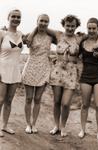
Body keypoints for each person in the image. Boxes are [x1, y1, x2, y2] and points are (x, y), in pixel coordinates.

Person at [46, 15, 98, 137]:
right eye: (68, 25)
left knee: (66, 103)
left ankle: (63, 126)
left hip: (71, 72)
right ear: (64, 25)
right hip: (57, 72)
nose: (70, 28)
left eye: (73, 26)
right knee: (56, 101)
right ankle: (56, 126)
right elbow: (42, 27)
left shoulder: (79, 38)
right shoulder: (58, 35)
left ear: (76, 26)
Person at [22, 14, 53, 134]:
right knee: (29, 98)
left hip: (44, 68)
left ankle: (34, 123)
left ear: (48, 23)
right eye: (41, 21)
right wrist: (34, 30)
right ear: (37, 21)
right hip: (31, 66)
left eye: (46, 21)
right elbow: (27, 43)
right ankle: (28, 124)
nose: (43, 23)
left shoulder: (51, 37)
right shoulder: (31, 35)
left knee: (38, 98)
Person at [0, 9, 23, 137]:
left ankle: (4, 125)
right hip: (2, 69)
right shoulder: (2, 33)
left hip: (15, 70)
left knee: (9, 100)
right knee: (0, 100)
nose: (16, 19)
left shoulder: (20, 34)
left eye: (18, 17)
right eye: (13, 16)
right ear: (8, 18)